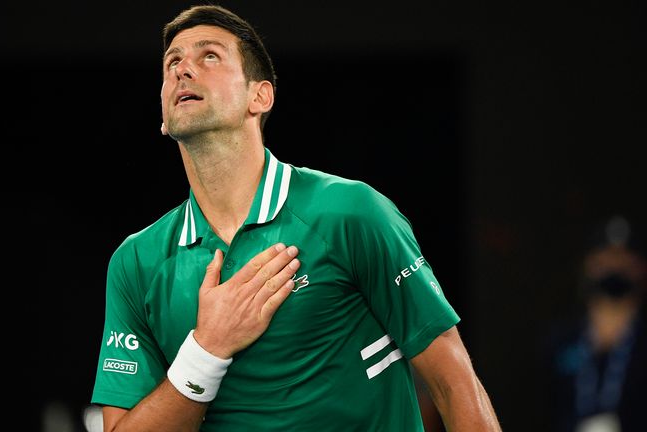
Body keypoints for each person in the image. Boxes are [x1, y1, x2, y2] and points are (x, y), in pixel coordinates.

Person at [90, 5, 501, 431]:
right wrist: (206, 351)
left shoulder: (352, 213)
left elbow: (455, 383)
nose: (183, 70)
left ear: (260, 96)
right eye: (172, 62)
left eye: (209, 56)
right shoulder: (136, 262)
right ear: (162, 115)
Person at [545, 216, 646, 432]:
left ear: (639, 268)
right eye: (606, 259)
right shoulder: (562, 340)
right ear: (590, 264)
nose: (614, 267)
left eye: (622, 259)